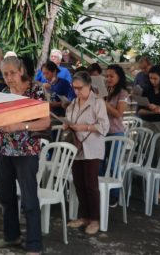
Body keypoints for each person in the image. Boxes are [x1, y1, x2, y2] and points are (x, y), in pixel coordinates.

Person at [0, 57, 50, 255]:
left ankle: (34, 245)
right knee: (6, 197)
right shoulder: (4, 94)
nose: (9, 78)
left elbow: (44, 122)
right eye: (5, 74)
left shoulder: (36, 91)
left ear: (21, 70)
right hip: (3, 149)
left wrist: (19, 126)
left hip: (26, 151)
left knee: (29, 198)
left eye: (12, 73)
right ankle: (11, 237)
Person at [65, 71, 110, 235]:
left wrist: (85, 127)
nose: (76, 91)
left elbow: (104, 126)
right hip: (77, 145)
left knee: (91, 185)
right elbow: (69, 117)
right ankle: (84, 216)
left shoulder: (98, 102)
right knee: (78, 182)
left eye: (79, 88)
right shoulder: (74, 102)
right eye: (74, 88)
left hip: (92, 147)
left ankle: (94, 219)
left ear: (89, 86)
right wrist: (67, 124)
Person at [103, 64, 129, 206]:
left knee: (113, 164)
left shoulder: (123, 93)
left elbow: (119, 113)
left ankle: (114, 196)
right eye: (107, 76)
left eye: (111, 76)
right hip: (102, 131)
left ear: (119, 77)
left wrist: (104, 103)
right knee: (100, 162)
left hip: (116, 132)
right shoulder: (106, 90)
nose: (108, 78)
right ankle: (102, 191)